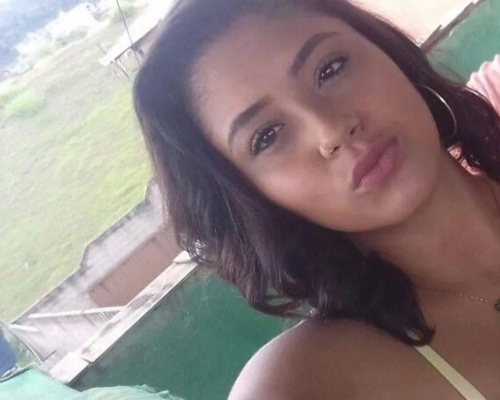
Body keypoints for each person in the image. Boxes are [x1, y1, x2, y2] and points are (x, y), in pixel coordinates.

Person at [133, 0, 500, 398]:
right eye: (267, 136)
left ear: (385, 50)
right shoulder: (309, 376)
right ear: (251, 197)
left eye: (329, 69)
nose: (332, 131)